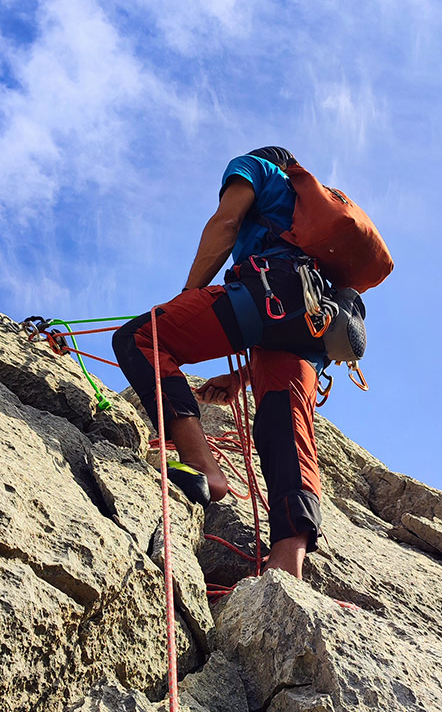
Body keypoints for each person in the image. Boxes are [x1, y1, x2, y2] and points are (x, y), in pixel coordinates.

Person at [113, 146, 330, 580]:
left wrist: (187, 297)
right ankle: (288, 565)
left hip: (266, 295)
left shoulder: (256, 167)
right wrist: (240, 377)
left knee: (141, 337)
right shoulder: (322, 222)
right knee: (283, 424)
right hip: (319, 327)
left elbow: (225, 222)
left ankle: (202, 466)